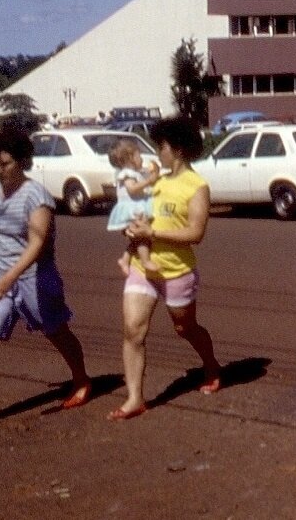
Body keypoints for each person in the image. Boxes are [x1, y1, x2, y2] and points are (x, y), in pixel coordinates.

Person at [0, 126, 92, 432]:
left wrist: (9, 279)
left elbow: (37, 244)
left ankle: (81, 379)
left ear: (23, 162)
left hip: (35, 277)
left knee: (56, 331)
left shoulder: (36, 197)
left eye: (6, 163)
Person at [111, 116, 223, 420]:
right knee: (133, 329)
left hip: (176, 270)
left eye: (161, 146)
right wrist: (130, 228)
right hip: (142, 266)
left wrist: (153, 233)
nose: (157, 152)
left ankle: (211, 365)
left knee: (184, 328)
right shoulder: (153, 180)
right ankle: (135, 397)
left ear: (178, 149)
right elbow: (133, 210)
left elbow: (195, 233)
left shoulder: (196, 186)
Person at [107, 139, 160, 274]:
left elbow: (147, 179)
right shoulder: (126, 174)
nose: (142, 159)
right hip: (131, 209)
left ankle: (125, 259)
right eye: (139, 156)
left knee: (136, 238)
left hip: (135, 207)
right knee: (142, 236)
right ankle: (145, 261)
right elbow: (132, 189)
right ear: (130, 158)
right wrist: (148, 181)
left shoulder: (135, 172)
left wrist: (154, 174)